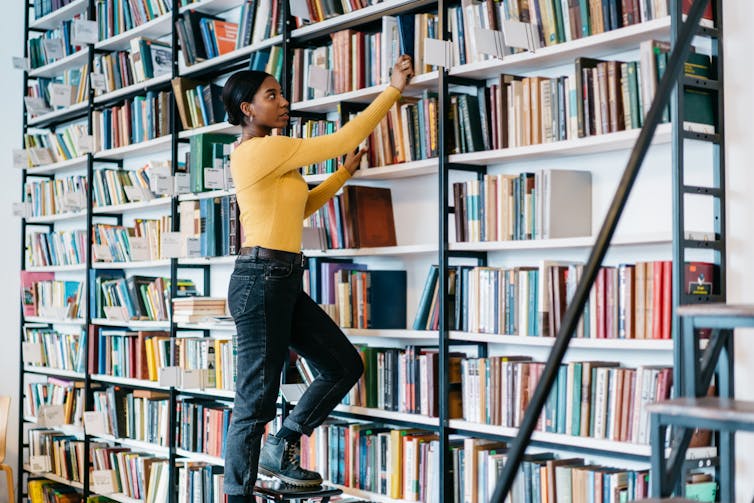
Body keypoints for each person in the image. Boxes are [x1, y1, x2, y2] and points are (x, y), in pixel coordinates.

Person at [221, 54, 415, 502]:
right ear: (248, 109)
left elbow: (301, 209)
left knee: (344, 365)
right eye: (272, 95)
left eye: (282, 93)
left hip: (282, 279)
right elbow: (346, 134)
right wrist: (393, 89)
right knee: (255, 400)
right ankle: (237, 495)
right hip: (261, 279)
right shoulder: (262, 149)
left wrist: (343, 174)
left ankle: (282, 442)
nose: (284, 102)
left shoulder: (276, 157)